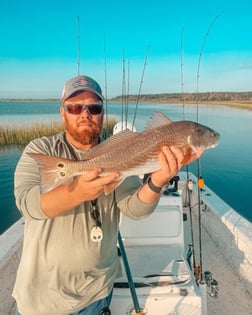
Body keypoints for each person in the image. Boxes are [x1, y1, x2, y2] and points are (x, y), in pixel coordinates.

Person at [13, 74, 201, 315]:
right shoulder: (40, 150)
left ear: (102, 112)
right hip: (41, 299)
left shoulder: (120, 151)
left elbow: (135, 208)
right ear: (63, 112)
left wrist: (159, 179)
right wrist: (78, 191)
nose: (85, 113)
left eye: (94, 107)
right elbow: (28, 205)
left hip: (97, 293)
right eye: (75, 107)